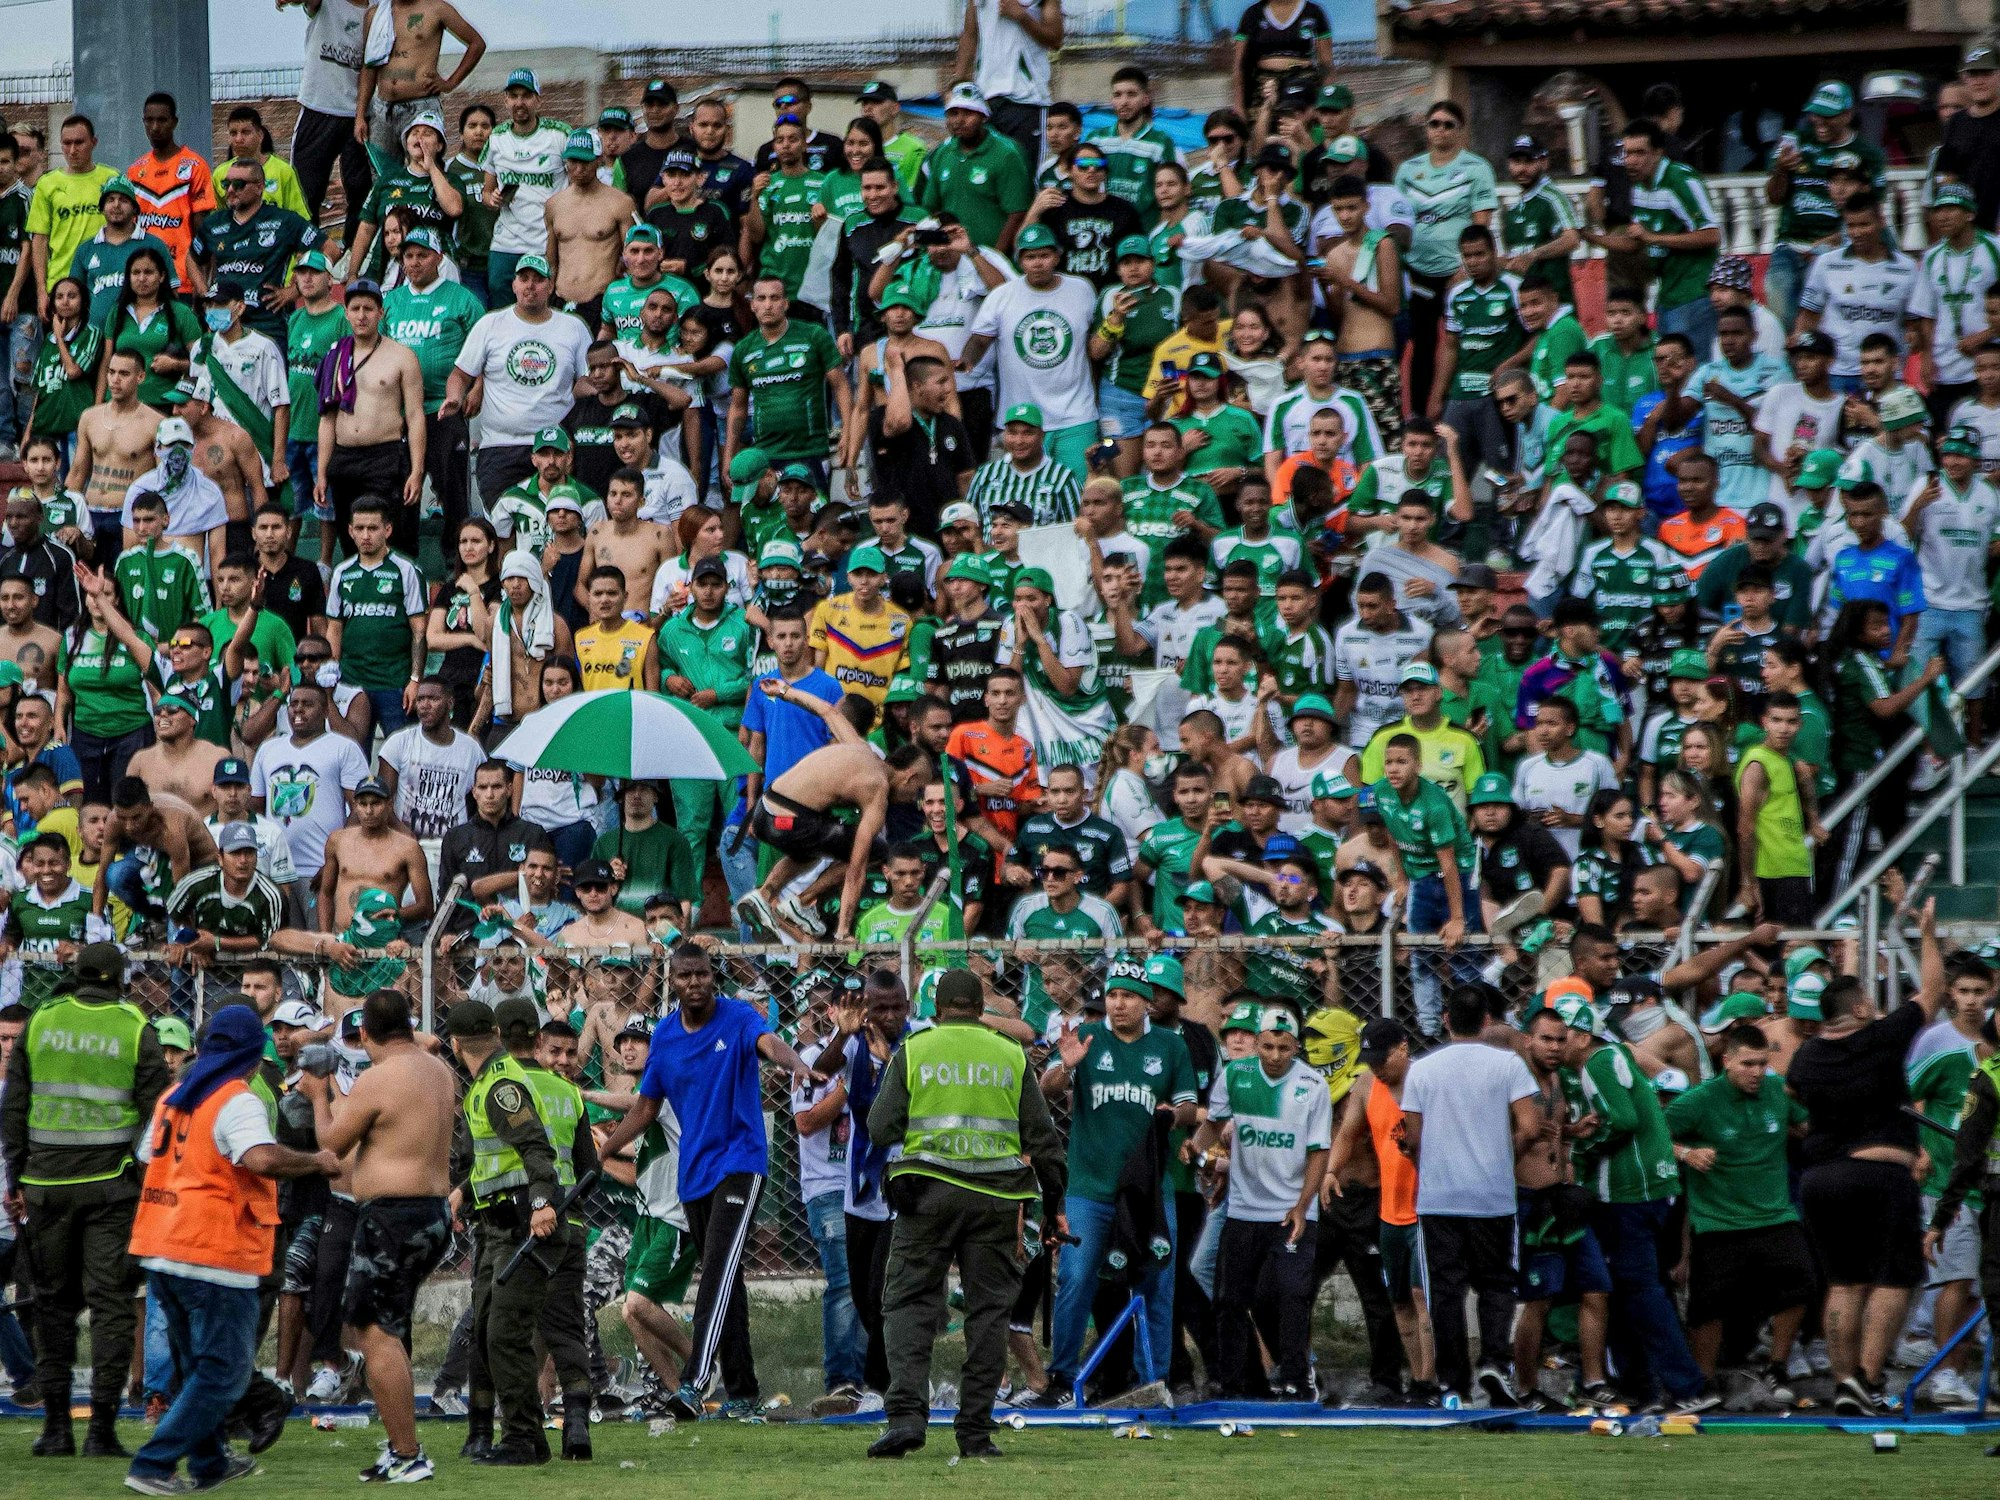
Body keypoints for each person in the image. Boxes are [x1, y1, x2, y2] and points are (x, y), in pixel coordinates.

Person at [594, 945, 822, 1420]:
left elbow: (767, 1043)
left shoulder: (737, 1016)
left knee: (716, 1272)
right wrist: (607, 1147)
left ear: (711, 977)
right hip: (693, 1176)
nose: (693, 982)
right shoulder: (667, 1038)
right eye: (684, 976)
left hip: (739, 1164)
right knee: (726, 1284)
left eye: (701, 974)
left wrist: (794, 1064)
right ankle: (742, 1393)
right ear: (673, 982)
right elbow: (646, 1107)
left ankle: (695, 1381)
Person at [122, 1000, 339, 1494]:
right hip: (213, 1252)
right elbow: (259, 1158)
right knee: (223, 1372)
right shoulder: (235, 1097)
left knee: (195, 1365)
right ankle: (154, 1463)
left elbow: (143, 1158)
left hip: (161, 1244)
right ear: (248, 1052)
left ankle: (210, 1462)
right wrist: (317, 1161)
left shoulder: (175, 1096)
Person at [864, 967, 1063, 1457]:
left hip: (926, 1198)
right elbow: (1046, 1144)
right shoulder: (1011, 1054)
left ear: (935, 1008)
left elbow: (879, 1127)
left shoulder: (915, 1050)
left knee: (909, 1304)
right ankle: (975, 1433)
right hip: (997, 1200)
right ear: (981, 1009)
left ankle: (907, 1417)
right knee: (989, 1311)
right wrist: (1053, 1208)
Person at [0, 942, 168, 1456]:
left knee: (52, 1306)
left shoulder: (43, 1020)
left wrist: (15, 1180)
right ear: (119, 980)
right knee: (111, 1306)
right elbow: (157, 1112)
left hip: (45, 1187)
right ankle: (102, 1431)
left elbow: (16, 1106)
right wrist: (140, 1175)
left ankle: (55, 1428)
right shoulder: (136, 1027)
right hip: (111, 1188)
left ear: (75, 976)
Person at [1788, 901, 1946, 1413]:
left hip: (1820, 1180)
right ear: (1858, 1010)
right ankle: (1871, 1379)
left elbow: (1797, 1095)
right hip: (1879, 1174)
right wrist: (1926, 935)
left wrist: (1851, 957)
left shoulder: (1806, 1056)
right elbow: (1933, 992)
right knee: (1892, 1278)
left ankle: (1843, 1383)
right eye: (1868, 1003)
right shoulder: (1881, 1038)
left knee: (1842, 1282)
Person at [1037, 957, 1198, 1405]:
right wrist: (1065, 1067)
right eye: (1112, 995)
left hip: (1150, 1190)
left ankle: (1155, 1382)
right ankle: (1061, 1381)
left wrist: (1171, 1114)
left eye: (1128, 996)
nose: (1118, 1004)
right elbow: (1045, 1089)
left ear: (1147, 1002)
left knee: (1158, 1282)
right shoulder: (1087, 1038)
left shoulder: (1171, 1045)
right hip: (1089, 1187)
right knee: (1075, 1276)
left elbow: (1189, 1106)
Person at [444, 998, 588, 1466]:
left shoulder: (501, 1084)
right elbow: (496, 1161)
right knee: (491, 1329)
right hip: (500, 1225)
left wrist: (544, 1202)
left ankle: (523, 1439)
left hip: (527, 1225)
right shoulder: (489, 1080)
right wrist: (464, 1194)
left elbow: (534, 1147)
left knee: (506, 1333)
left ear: (456, 1043)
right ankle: (523, 1437)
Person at [1398, 983, 1540, 1403]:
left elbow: (1412, 1136)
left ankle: (1451, 1381)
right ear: (1486, 1021)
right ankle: (1495, 1362)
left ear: (1446, 1020)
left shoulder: (1422, 1069)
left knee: (1445, 1291)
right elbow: (1530, 1126)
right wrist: (1501, 1153)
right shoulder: (1508, 1065)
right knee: (1497, 1284)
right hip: (1492, 1196)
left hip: (1439, 1197)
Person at [1664, 1023, 1815, 1405]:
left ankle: (1777, 1365)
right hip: (1719, 1220)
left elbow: (1806, 1124)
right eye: (1747, 1064)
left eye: (1762, 1064)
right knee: (1708, 1304)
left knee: (1801, 1284)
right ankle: (1704, 1380)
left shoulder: (1776, 1093)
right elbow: (1655, 1137)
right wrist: (1686, 1153)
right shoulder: (1699, 1100)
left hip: (1774, 1214)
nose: (1755, 1072)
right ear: (1726, 1060)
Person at [1189, 1002, 1331, 1399]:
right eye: (1267, 1047)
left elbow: (1319, 1151)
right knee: (1229, 1299)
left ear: (1296, 1048)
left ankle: (1298, 1378)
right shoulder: (1235, 1075)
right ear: (1257, 1043)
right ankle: (1235, 1382)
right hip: (1244, 1208)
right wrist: (1195, 1149)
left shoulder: (1312, 1086)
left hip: (1290, 1209)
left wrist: (1302, 1206)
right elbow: (1213, 1125)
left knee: (1291, 1295)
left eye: (1283, 1049)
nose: (1273, 1056)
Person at [445, 255, 594, 511]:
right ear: (513, 285)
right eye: (523, 279)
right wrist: (455, 398)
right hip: (502, 446)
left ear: (551, 286)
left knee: (559, 524)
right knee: (505, 530)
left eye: (538, 280)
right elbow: (460, 375)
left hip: (555, 447)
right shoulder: (490, 324)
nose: (530, 286)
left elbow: (585, 381)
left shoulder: (573, 327)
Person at [318, 279, 426, 556]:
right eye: (355, 308)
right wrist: (321, 473)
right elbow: (327, 419)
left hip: (386, 458)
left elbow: (415, 417)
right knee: (352, 540)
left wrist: (416, 470)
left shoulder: (402, 356)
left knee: (394, 539)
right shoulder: (336, 355)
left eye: (369, 308)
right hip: (344, 460)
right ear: (347, 312)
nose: (362, 315)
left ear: (381, 312)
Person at [327, 496, 427, 739]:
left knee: (400, 758)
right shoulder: (342, 572)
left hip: (395, 683)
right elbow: (334, 629)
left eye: (373, 528)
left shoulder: (406, 570)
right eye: (359, 528)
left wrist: (415, 680)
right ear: (350, 530)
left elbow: (419, 631)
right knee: (353, 758)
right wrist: (331, 675)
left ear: (388, 529)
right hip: (351, 683)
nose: (365, 535)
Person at [921, 83, 1032, 255]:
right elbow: (932, 207)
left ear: (984, 116)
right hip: (953, 257)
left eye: (968, 113)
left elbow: (1017, 213)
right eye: (953, 113)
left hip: (990, 256)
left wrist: (996, 256)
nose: (959, 120)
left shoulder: (1006, 154)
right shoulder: (942, 153)